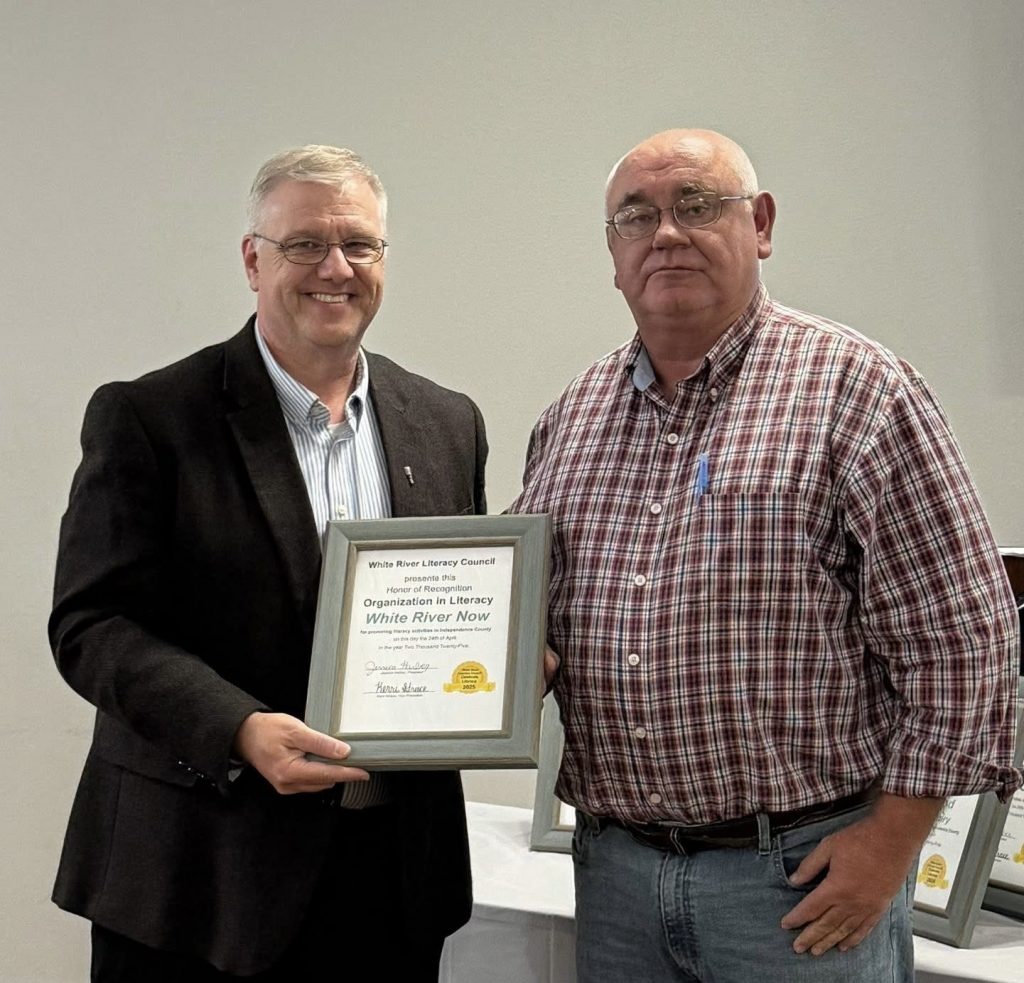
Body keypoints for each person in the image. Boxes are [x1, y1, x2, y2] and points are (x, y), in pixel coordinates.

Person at [511, 129, 1021, 982]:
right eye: (636, 216)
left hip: (797, 882)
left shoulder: (858, 391)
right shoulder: (570, 418)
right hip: (616, 877)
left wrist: (890, 845)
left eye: (696, 205)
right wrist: (489, 674)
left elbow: (965, 638)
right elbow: (525, 620)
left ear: (762, 224)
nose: (665, 233)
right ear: (613, 255)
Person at [49, 145, 487, 981]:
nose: (336, 268)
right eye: (305, 244)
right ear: (254, 261)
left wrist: (499, 664)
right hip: (201, 879)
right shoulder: (151, 417)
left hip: (393, 875)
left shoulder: (447, 421)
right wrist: (239, 728)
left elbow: (457, 605)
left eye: (359, 244)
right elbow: (90, 624)